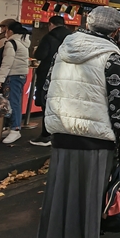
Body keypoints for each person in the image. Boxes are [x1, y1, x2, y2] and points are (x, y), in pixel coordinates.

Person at [37, 6, 120, 238]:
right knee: (86, 211)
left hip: (61, 139)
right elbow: (119, 108)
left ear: (87, 25)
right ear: (116, 30)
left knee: (64, 208)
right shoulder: (111, 56)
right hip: (95, 143)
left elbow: (44, 93)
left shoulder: (64, 48)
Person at [30, 16, 71, 147]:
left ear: (51, 25)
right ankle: (61, 134)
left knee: (47, 104)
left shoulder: (48, 37)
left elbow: (40, 55)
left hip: (49, 75)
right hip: (67, 75)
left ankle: (46, 135)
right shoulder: (72, 38)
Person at [0, 22, 31, 144]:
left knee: (13, 102)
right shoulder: (23, 42)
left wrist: (0, 78)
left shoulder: (11, 43)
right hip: (20, 75)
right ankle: (12, 127)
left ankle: (15, 129)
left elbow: (7, 62)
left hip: (13, 75)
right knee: (14, 102)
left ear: (10, 31)